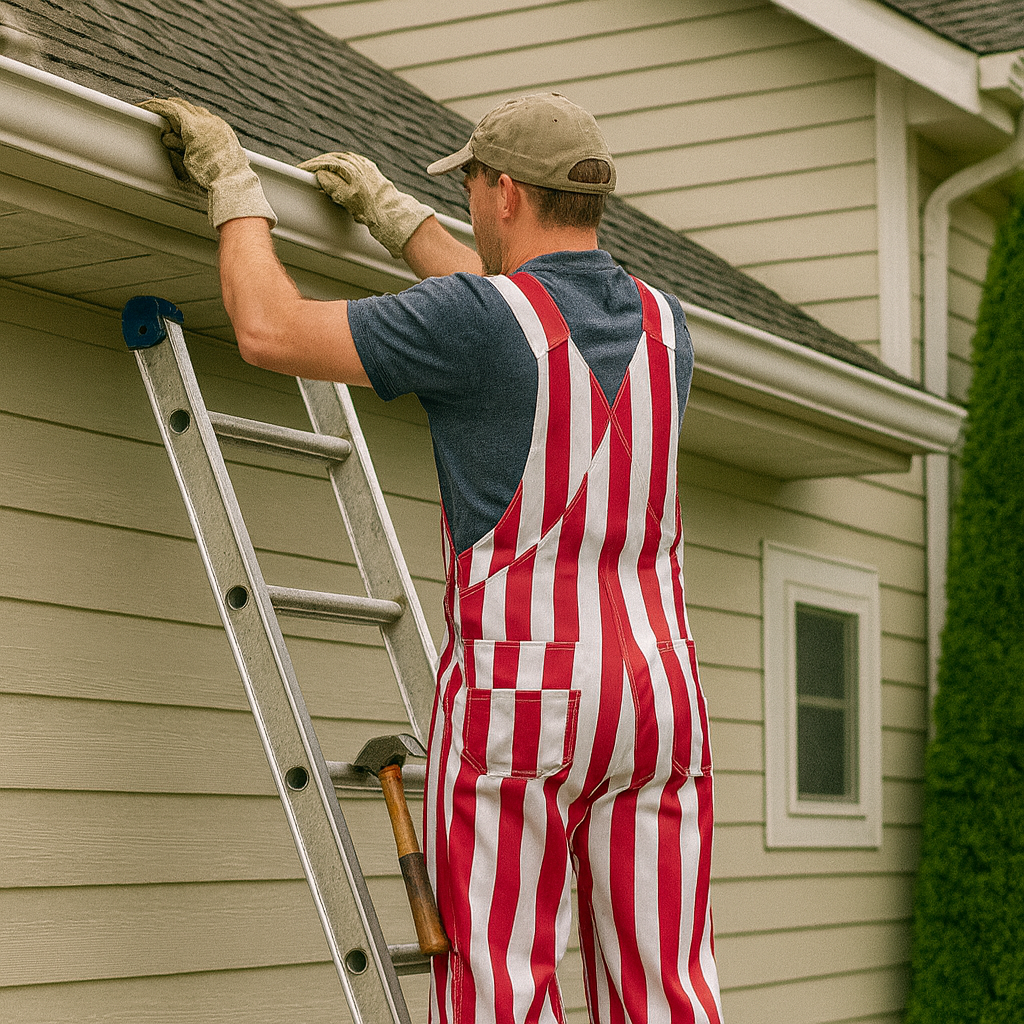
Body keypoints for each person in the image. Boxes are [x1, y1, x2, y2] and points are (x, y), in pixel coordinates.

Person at [141, 92, 723, 1024]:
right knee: (666, 989)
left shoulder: (478, 324)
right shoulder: (665, 325)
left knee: (499, 983)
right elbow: (520, 309)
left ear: (500, 194)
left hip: (524, 700)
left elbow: (269, 330)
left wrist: (236, 188)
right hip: (661, 705)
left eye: (472, 189)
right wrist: (398, 221)